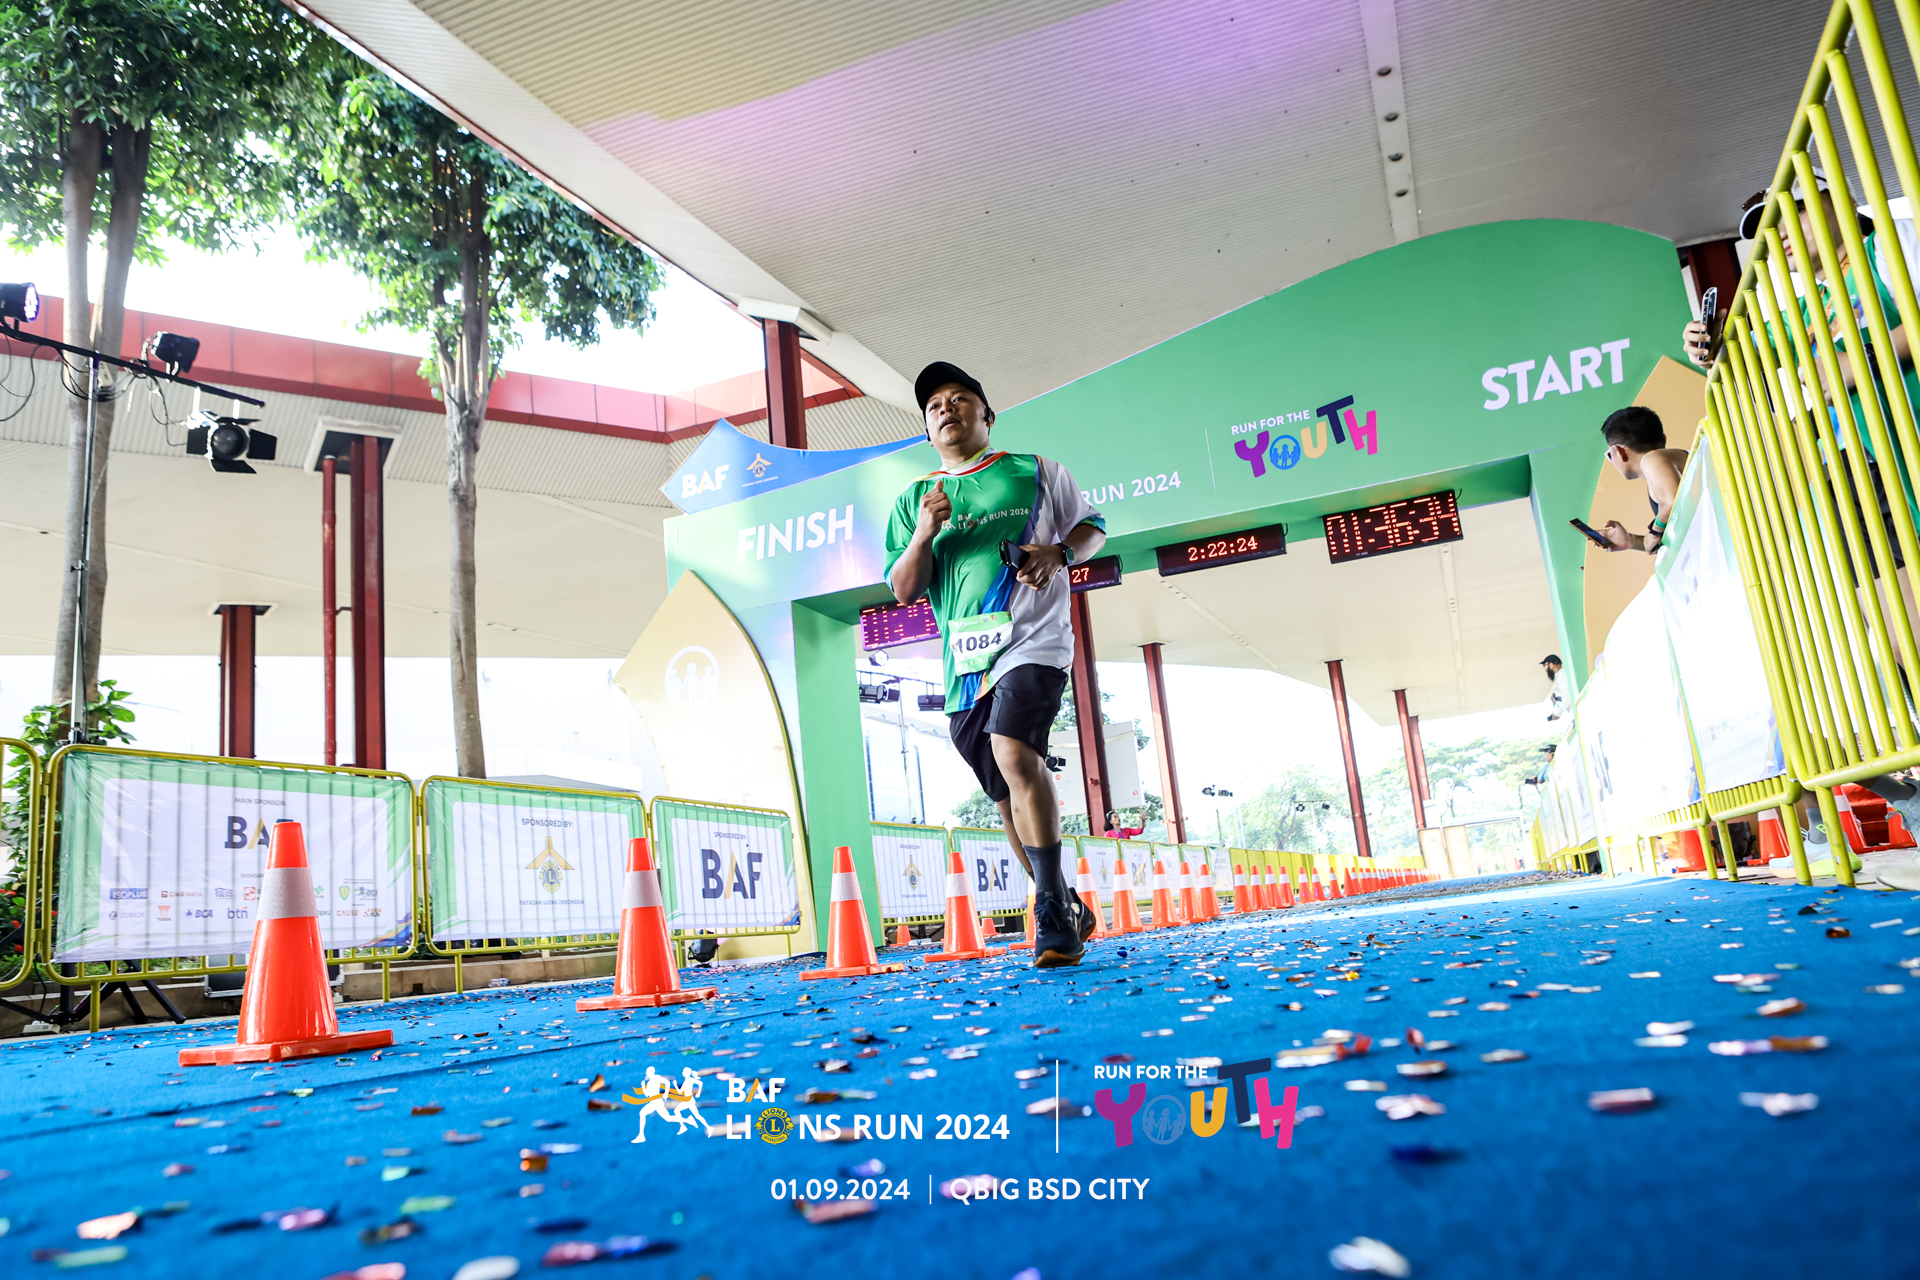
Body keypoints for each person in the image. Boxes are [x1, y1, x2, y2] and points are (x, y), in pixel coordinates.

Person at [886, 361, 1107, 967]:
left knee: (1014, 751)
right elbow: (904, 588)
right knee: (1005, 795)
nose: (946, 409)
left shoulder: (1035, 471)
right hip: (965, 662)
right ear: (927, 430)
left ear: (987, 414)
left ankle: (1051, 915)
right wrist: (924, 532)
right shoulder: (913, 500)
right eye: (934, 406)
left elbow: (1093, 529)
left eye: (959, 399)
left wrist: (1058, 553)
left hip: (1033, 638)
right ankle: (1063, 900)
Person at [1597, 406, 1688, 554]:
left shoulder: (1651, 459)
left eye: (1609, 455)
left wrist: (1655, 531)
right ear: (1663, 438)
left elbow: (1671, 501)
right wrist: (1631, 541)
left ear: (1619, 451)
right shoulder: (1668, 463)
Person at [1540, 654, 1565, 722]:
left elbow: (1568, 698)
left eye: (1545, 665)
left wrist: (1557, 713)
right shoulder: (1561, 675)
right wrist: (1557, 699)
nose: (1545, 669)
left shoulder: (1562, 676)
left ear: (1551, 665)